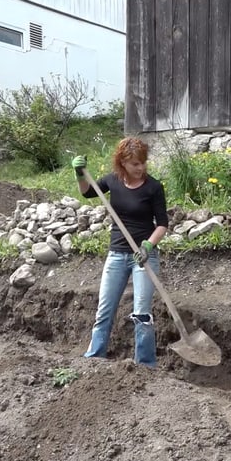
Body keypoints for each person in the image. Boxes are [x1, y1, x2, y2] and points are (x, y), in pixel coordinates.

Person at [71, 136, 168, 367]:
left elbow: (162, 224)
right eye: (135, 163)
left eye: (143, 162)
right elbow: (87, 192)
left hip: (143, 257)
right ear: (123, 163)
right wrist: (80, 175)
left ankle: (145, 365)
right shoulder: (113, 181)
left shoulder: (154, 187)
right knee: (105, 310)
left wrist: (148, 245)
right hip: (116, 255)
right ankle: (94, 358)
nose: (141, 167)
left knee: (142, 315)